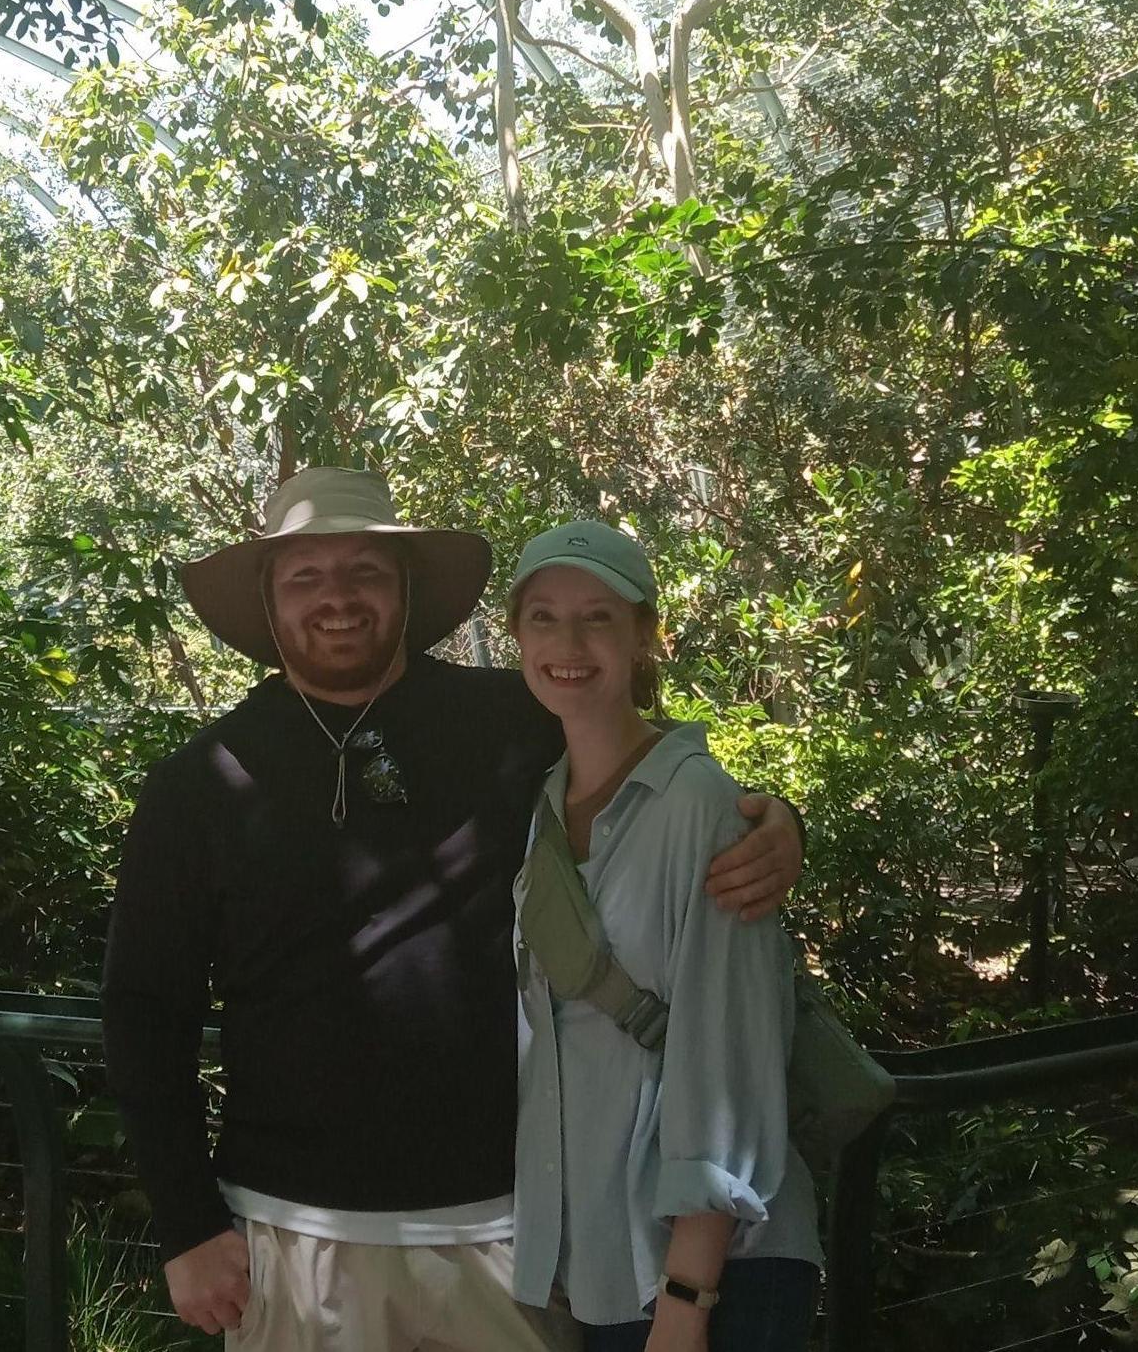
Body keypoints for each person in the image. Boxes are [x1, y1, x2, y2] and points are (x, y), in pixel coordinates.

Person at [100, 468, 806, 1352]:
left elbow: (659, 780)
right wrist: (186, 1224)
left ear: (405, 587)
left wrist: (778, 821)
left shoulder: (514, 719)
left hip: (517, 1228)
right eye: (305, 576)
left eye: (364, 570)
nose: (337, 597)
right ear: (269, 601)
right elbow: (143, 1009)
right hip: (295, 1234)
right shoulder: (200, 784)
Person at [507, 520, 823, 1352]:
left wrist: (687, 1296)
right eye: (543, 617)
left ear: (644, 634)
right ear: (516, 637)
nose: (567, 644)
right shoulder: (542, 807)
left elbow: (728, 1056)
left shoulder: (700, 807)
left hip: (708, 1273)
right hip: (606, 1260)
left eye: (597, 618)